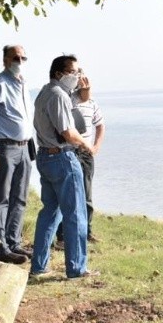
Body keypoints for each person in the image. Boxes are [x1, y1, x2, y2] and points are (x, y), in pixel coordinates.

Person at [30, 54, 100, 279]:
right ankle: (76, 268)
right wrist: (86, 144)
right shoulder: (58, 95)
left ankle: (39, 265)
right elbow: (67, 132)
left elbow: (76, 101)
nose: (77, 76)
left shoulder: (45, 92)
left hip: (45, 157)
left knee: (50, 212)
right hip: (62, 159)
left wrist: (84, 92)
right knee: (76, 214)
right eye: (74, 72)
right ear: (59, 73)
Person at [0, 44, 35, 264]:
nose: (19, 61)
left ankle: (14, 242)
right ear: (5, 60)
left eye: (22, 57)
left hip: (24, 147)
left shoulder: (23, 84)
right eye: (15, 58)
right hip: (4, 148)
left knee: (19, 198)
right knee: (1, 199)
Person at [54, 71, 105, 247]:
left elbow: (100, 126)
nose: (81, 81)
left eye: (83, 78)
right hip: (70, 152)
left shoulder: (92, 103)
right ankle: (62, 236)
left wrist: (96, 146)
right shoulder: (67, 99)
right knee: (68, 196)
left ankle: (87, 232)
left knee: (87, 196)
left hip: (87, 154)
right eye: (78, 78)